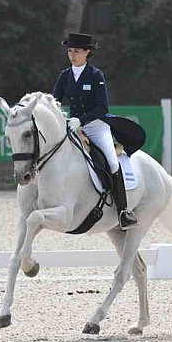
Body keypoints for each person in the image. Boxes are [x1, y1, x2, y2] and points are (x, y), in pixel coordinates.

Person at [52, 32, 138, 230]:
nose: (72, 55)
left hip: (95, 126)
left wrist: (80, 120)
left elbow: (102, 107)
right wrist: (61, 118)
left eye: (77, 51)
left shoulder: (95, 75)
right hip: (71, 126)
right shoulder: (64, 76)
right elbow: (54, 101)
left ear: (87, 53)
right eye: (70, 51)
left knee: (112, 161)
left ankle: (123, 211)